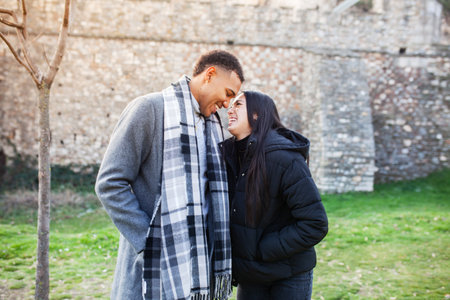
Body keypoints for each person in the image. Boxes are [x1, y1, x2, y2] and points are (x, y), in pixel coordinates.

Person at [95, 50, 244, 300]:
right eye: (228, 93)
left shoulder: (212, 125)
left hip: (199, 267)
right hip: (154, 268)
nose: (228, 104)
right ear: (209, 75)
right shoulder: (150, 109)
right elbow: (110, 183)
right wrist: (148, 242)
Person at [220, 91, 328, 300]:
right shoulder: (229, 157)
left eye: (238, 104)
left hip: (289, 274)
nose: (229, 109)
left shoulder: (284, 158)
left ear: (257, 115)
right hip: (251, 276)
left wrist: (262, 249)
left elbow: (315, 223)